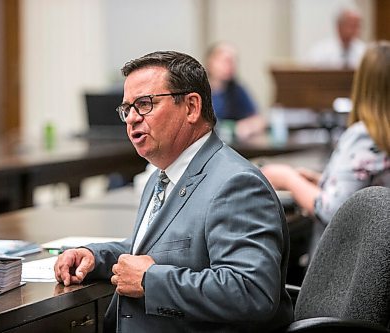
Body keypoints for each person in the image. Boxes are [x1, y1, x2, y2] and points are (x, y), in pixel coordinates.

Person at [55, 51, 293, 332]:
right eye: (127, 108)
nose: (132, 118)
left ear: (191, 106)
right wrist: (95, 257)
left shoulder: (236, 183)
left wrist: (149, 281)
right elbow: (160, 249)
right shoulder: (164, 174)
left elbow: (251, 292)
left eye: (144, 104)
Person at [262, 41, 390, 252]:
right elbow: (369, 189)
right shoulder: (382, 133)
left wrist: (288, 179)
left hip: (342, 267)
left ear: (364, 83)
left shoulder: (365, 135)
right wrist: (323, 181)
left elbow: (333, 211)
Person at [205, 42, 266, 140]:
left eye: (234, 61)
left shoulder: (237, 90)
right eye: (226, 60)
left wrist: (246, 127)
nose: (231, 65)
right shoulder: (197, 91)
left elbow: (259, 120)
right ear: (211, 62)